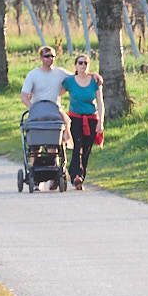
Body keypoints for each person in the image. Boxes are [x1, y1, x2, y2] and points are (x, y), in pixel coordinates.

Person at [62, 53, 104, 191]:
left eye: (86, 63)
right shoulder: (70, 81)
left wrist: (100, 122)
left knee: (86, 149)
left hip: (91, 118)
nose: (83, 65)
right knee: (76, 146)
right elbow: (57, 94)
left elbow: (100, 102)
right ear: (75, 65)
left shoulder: (94, 82)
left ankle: (81, 176)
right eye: (80, 63)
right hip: (75, 118)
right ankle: (75, 176)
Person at [21, 46, 69, 111]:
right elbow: (24, 96)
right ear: (41, 58)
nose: (50, 58)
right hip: (38, 110)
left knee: (68, 121)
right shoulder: (32, 74)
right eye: (47, 56)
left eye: (52, 56)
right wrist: (33, 108)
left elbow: (77, 77)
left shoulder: (61, 72)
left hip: (56, 110)